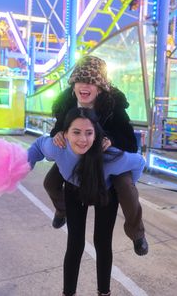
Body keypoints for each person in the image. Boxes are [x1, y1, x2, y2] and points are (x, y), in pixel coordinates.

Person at [0, 107, 145, 296]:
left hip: (104, 191)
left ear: (97, 135)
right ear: (65, 134)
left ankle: (104, 293)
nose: (83, 139)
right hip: (73, 188)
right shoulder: (57, 147)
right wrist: (21, 164)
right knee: (75, 243)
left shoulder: (110, 157)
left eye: (89, 133)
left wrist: (122, 184)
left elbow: (139, 163)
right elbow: (37, 147)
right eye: (76, 132)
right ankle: (68, 293)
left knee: (102, 242)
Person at [44, 55, 148, 256]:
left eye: (91, 82)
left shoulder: (113, 107)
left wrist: (111, 140)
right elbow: (57, 129)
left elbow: (128, 140)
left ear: (100, 88)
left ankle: (137, 233)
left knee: (126, 188)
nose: (85, 86)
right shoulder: (66, 105)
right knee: (50, 182)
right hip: (76, 156)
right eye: (80, 81)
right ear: (73, 84)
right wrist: (57, 134)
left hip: (108, 158)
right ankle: (61, 209)